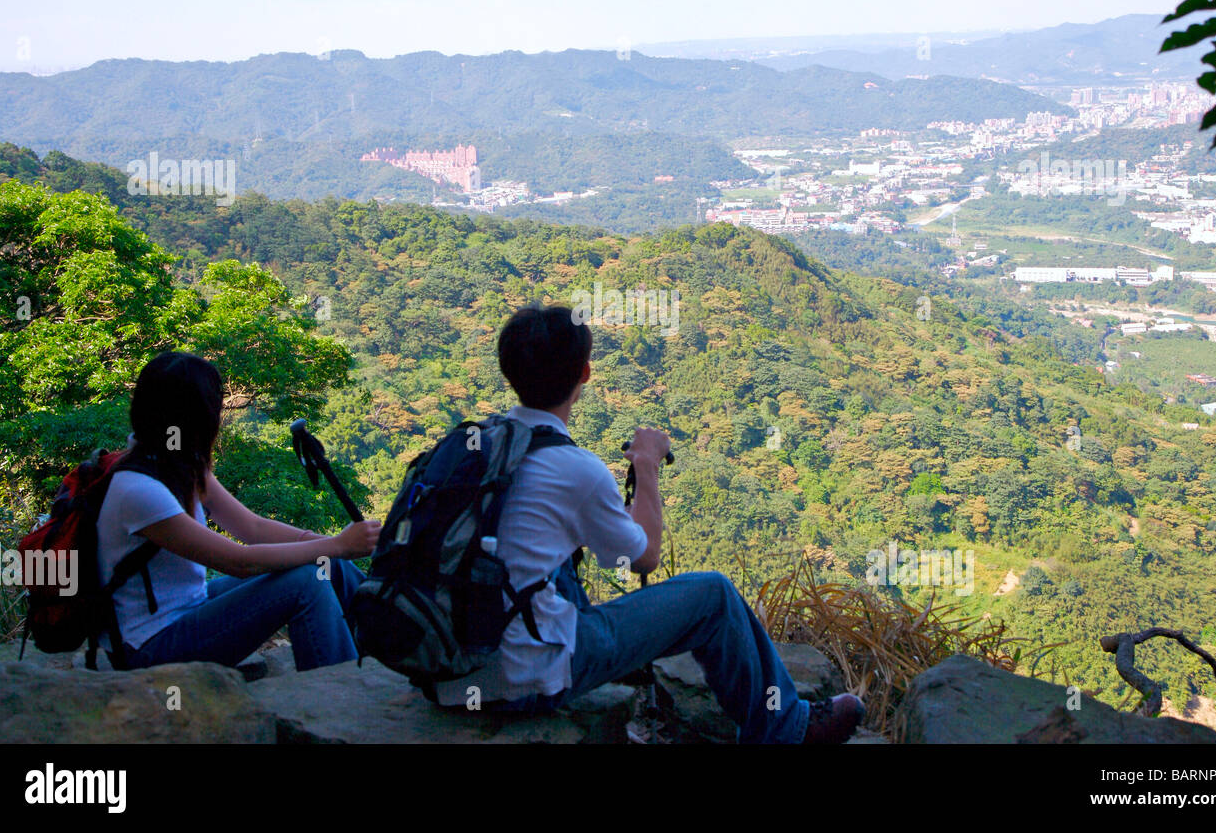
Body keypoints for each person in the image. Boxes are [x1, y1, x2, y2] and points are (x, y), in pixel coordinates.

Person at [434, 305, 864, 743]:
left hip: (445, 673)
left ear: (509, 370)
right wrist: (646, 463)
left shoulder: (471, 446)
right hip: (522, 677)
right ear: (584, 374)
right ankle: (784, 728)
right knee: (713, 595)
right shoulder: (573, 469)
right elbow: (642, 558)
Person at [95, 351, 380, 672]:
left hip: (189, 607)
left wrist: (334, 546)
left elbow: (252, 528)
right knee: (309, 580)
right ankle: (339, 699)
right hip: (148, 646)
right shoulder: (139, 490)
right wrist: (339, 544)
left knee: (330, 564)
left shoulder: (177, 463)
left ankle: (390, 644)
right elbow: (239, 561)